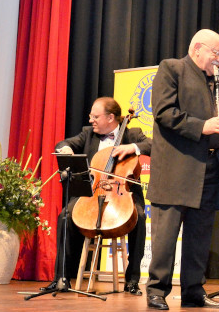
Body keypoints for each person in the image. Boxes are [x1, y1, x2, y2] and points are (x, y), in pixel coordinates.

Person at [144, 29, 219, 310]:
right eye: (216, 53)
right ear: (197, 49)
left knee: (200, 237)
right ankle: (156, 291)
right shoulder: (171, 68)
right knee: (166, 236)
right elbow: (163, 113)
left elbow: (215, 128)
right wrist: (203, 126)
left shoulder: (213, 82)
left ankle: (193, 291)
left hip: (209, 170)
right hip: (175, 171)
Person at [45, 96, 151, 295]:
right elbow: (62, 143)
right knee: (65, 216)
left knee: (140, 217)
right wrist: (66, 149)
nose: (91, 120)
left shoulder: (133, 133)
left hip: (123, 193)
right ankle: (61, 278)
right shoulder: (88, 134)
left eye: (95, 116)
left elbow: (154, 146)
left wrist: (133, 148)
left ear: (111, 118)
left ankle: (133, 280)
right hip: (92, 192)